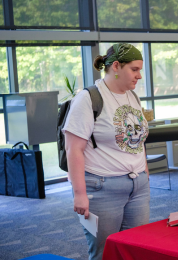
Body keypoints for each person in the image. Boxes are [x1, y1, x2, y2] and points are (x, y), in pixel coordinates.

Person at [63, 43, 150, 260]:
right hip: (101, 188)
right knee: (105, 254)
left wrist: (144, 173)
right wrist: (80, 194)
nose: (139, 75)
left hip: (137, 186)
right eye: (135, 69)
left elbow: (139, 141)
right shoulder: (88, 98)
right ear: (116, 66)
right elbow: (73, 149)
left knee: (136, 249)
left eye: (140, 69)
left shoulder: (133, 96)